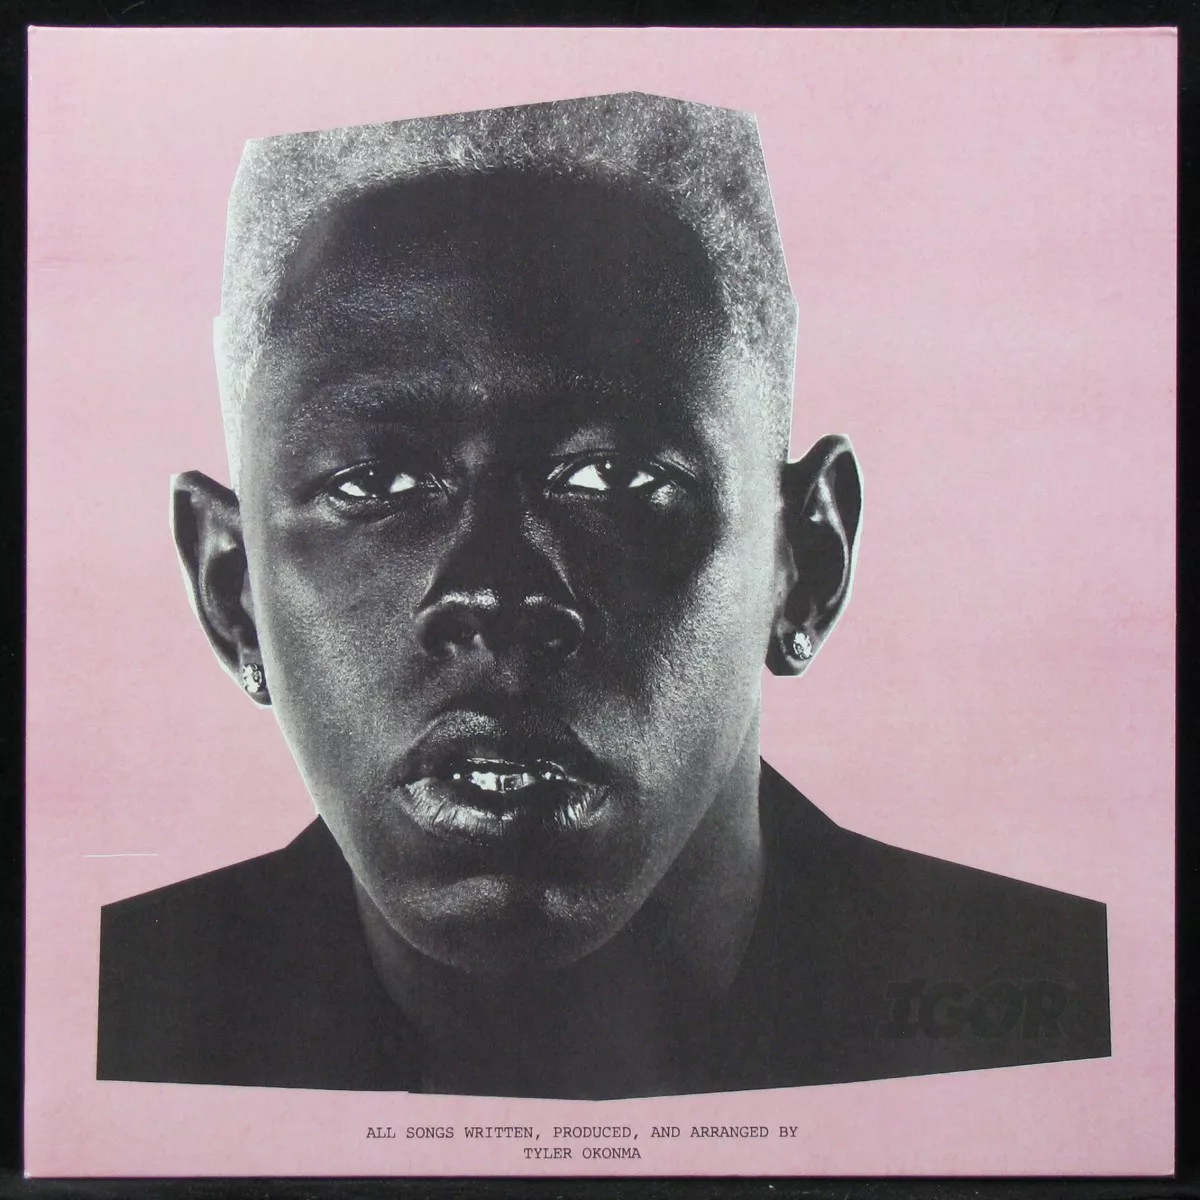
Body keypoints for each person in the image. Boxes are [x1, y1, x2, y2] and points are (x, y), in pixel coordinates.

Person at [97, 93, 1110, 1099]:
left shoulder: (1064, 1019)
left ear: (804, 560)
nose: (492, 595)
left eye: (614, 479)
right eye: (375, 484)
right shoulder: (99, 1027)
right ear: (232, 590)